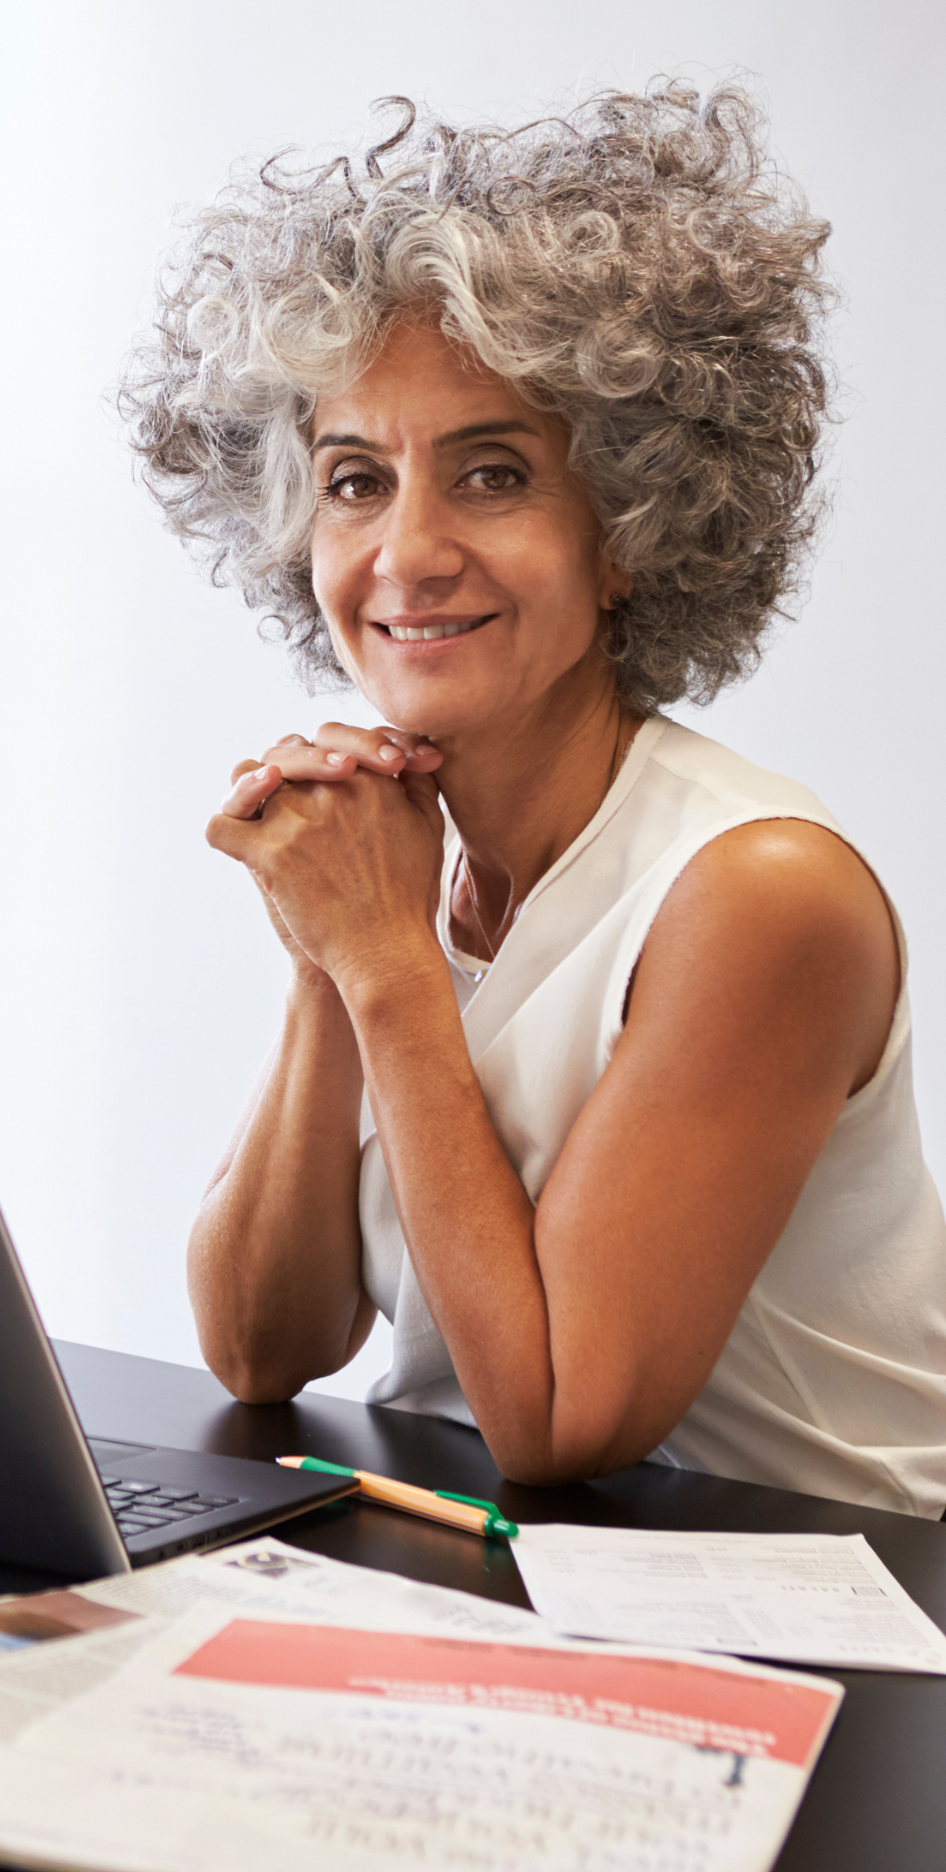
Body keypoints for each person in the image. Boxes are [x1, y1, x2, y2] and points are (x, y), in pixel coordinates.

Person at [121, 84, 946, 1517]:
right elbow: (263, 1345)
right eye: (355, 481)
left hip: (828, 1625)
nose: (407, 554)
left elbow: (563, 1419)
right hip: (493, 1567)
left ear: (627, 530)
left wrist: (382, 969)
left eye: (492, 476)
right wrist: (336, 945)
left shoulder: (761, 894)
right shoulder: (395, 856)